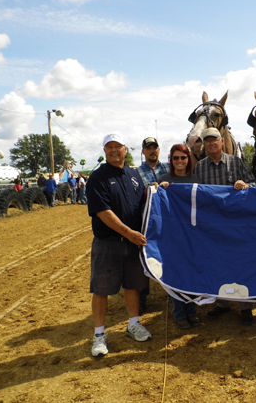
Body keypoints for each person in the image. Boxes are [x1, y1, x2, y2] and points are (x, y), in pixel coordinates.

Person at [86, 133, 152, 357]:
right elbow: (103, 212)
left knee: (133, 285)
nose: (114, 150)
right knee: (101, 290)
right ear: (105, 151)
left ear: (126, 149)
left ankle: (133, 324)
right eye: (109, 147)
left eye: (118, 146)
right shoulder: (98, 178)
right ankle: (99, 335)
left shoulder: (134, 174)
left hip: (133, 244)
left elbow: (145, 203)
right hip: (108, 243)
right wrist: (129, 233)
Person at [193, 127, 256, 325]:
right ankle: (222, 303)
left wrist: (244, 185)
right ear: (203, 145)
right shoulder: (200, 168)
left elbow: (254, 185)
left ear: (222, 141)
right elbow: (194, 195)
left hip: (237, 226)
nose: (211, 144)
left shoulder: (236, 162)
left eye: (215, 140)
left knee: (241, 264)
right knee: (217, 265)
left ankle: (246, 306)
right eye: (207, 141)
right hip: (213, 228)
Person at [156, 144, 202, 329]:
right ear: (171, 160)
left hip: (193, 235)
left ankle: (191, 311)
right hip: (172, 235)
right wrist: (158, 188)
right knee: (175, 273)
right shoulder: (164, 179)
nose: (180, 161)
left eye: (183, 157)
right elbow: (155, 202)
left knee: (192, 273)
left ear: (188, 159)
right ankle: (179, 313)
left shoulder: (196, 179)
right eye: (176, 158)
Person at [136, 136, 170, 312]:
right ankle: (142, 299)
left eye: (155, 147)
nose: (152, 150)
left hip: (170, 222)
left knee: (171, 257)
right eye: (148, 148)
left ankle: (174, 293)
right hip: (148, 222)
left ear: (159, 150)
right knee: (146, 257)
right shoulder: (137, 173)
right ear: (143, 152)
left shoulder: (169, 167)